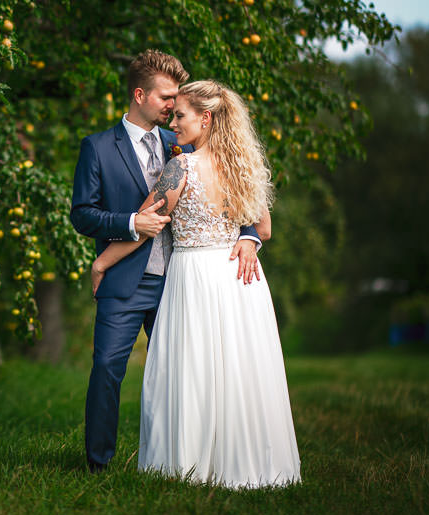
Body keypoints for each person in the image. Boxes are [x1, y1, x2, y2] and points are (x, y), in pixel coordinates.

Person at [91, 79, 299, 488]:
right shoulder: (242, 166)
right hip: (238, 280)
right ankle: (246, 465)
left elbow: (145, 224)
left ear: (206, 119)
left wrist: (101, 262)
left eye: (181, 116)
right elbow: (265, 228)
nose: (174, 124)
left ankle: (189, 464)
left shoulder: (180, 167)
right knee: (237, 371)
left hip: (196, 279)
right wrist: (247, 238)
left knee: (194, 371)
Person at [70, 52, 263, 473]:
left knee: (189, 372)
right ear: (140, 95)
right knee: (106, 368)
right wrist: (129, 222)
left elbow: (242, 200)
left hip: (182, 280)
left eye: (178, 102)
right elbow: (82, 213)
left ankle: (187, 459)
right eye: (166, 98)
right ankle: (98, 464)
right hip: (126, 279)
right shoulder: (98, 148)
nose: (173, 108)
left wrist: (249, 238)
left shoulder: (182, 144)